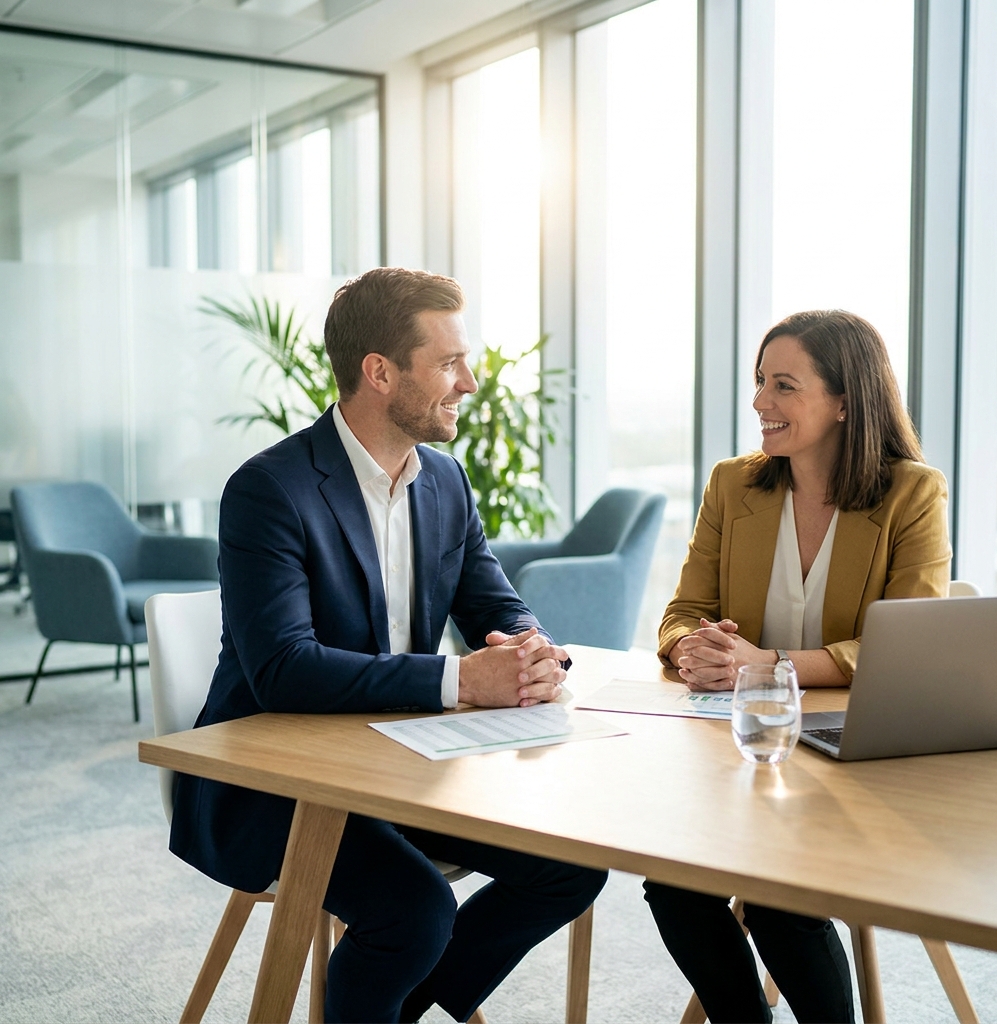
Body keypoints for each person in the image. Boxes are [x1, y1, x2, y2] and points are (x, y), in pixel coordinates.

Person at [169, 267, 607, 1024]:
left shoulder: (446, 481)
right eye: (448, 363)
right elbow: (283, 671)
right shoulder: (270, 490)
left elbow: (496, 606)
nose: (469, 382)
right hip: (273, 784)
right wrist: (463, 682)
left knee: (570, 864)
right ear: (379, 372)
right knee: (415, 910)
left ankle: (390, 1011)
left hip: (403, 768)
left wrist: (535, 652)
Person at [645, 310, 951, 1023]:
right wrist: (691, 647)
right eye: (759, 382)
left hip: (857, 755)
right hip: (744, 752)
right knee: (671, 877)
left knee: (781, 902)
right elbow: (683, 608)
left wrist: (770, 663)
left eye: (784, 385)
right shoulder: (733, 486)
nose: (760, 402)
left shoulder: (913, 493)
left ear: (847, 400)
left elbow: (908, 644)